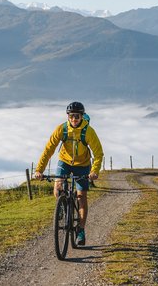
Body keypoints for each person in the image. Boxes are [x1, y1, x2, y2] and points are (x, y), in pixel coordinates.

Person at [33, 102, 104, 246]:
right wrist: (39, 170)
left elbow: (98, 154)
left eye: (77, 116)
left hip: (82, 164)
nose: (74, 119)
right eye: (71, 116)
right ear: (68, 116)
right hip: (64, 161)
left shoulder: (89, 131)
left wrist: (94, 171)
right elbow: (48, 150)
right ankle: (63, 207)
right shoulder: (62, 129)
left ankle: (81, 230)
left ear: (82, 116)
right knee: (58, 187)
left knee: (81, 196)